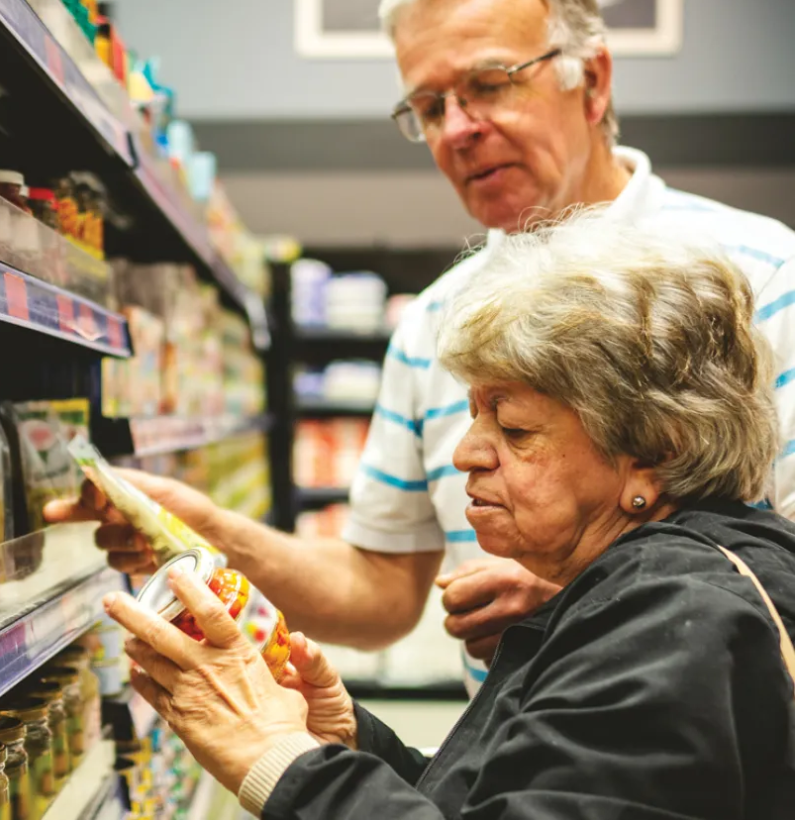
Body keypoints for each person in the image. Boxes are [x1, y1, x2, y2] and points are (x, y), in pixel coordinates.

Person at [47, 0, 795, 688]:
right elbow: (380, 592)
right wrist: (210, 532)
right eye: (430, 106)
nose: (460, 130)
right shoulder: (437, 325)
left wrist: (595, 602)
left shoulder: (763, 278)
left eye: (492, 83)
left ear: (593, 81)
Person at [101, 216, 795, 819]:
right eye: (474, 417)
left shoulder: (672, 622)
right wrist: (348, 742)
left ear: (654, 451)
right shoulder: (655, 588)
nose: (465, 453)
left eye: (515, 429)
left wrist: (276, 760)